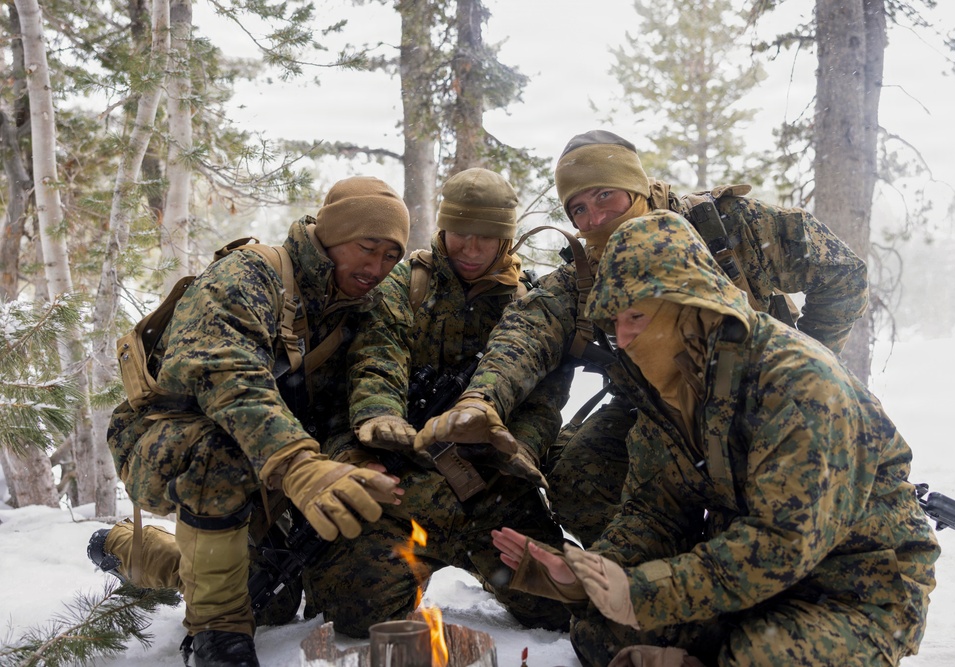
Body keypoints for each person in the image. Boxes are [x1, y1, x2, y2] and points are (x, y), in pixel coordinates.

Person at [491, 212, 940, 666]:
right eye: (614, 322)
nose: (622, 338)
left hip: (855, 590)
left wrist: (642, 593)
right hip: (753, 585)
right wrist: (586, 577)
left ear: (691, 305)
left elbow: (782, 543)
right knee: (601, 630)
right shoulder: (669, 389)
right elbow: (654, 510)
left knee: (761, 657)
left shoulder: (800, 384)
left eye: (637, 316)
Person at [415, 130, 870, 547]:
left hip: (755, 399)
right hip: (652, 410)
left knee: (759, 517)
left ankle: (721, 570)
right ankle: (649, 568)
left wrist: (810, 362)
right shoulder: (581, 277)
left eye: (605, 196)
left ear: (636, 187)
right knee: (576, 475)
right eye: (578, 209)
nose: (595, 217)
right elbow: (524, 335)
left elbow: (842, 274)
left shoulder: (727, 227)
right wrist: (480, 400)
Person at [89, 176, 411, 667]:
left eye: (391, 256)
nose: (376, 267)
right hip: (172, 442)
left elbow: (352, 399)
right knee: (216, 452)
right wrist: (301, 467)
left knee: (266, 593)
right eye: (367, 247)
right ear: (331, 234)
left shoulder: (362, 309)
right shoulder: (251, 273)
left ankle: (129, 549)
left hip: (266, 462)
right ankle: (217, 633)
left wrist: (353, 460)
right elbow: (226, 373)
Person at [299, 167, 575, 637]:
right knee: (353, 612)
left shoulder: (531, 303)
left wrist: (518, 448)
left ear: (505, 240)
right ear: (442, 227)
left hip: (493, 492)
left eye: (485, 238)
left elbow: (545, 401)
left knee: (559, 610)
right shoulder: (402, 285)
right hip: (406, 489)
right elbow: (376, 359)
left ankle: (490, 570)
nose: (470, 249)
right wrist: (378, 418)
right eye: (460, 233)